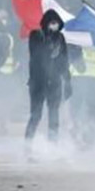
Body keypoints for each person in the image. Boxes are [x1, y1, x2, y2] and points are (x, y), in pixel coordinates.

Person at [25, 9, 75, 147]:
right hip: (38, 82)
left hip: (54, 82)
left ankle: (53, 145)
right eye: (52, 23)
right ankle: (27, 145)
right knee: (36, 115)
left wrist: (68, 81)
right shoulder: (36, 35)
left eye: (57, 23)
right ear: (46, 23)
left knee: (54, 115)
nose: (55, 26)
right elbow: (35, 55)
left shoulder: (60, 38)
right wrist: (48, 44)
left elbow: (64, 61)